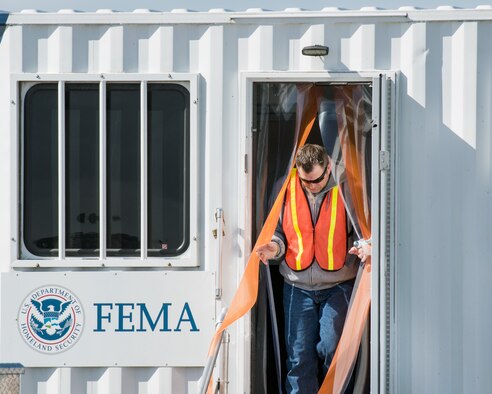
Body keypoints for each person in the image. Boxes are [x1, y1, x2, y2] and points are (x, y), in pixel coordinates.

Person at [256, 144, 359, 394]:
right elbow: (280, 233)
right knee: (299, 357)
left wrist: (361, 247)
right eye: (306, 181)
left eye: (317, 180)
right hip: (296, 286)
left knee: (332, 350)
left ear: (328, 168)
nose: (312, 186)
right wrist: (274, 248)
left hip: (337, 284)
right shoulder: (286, 186)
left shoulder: (348, 186)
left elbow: (362, 229)